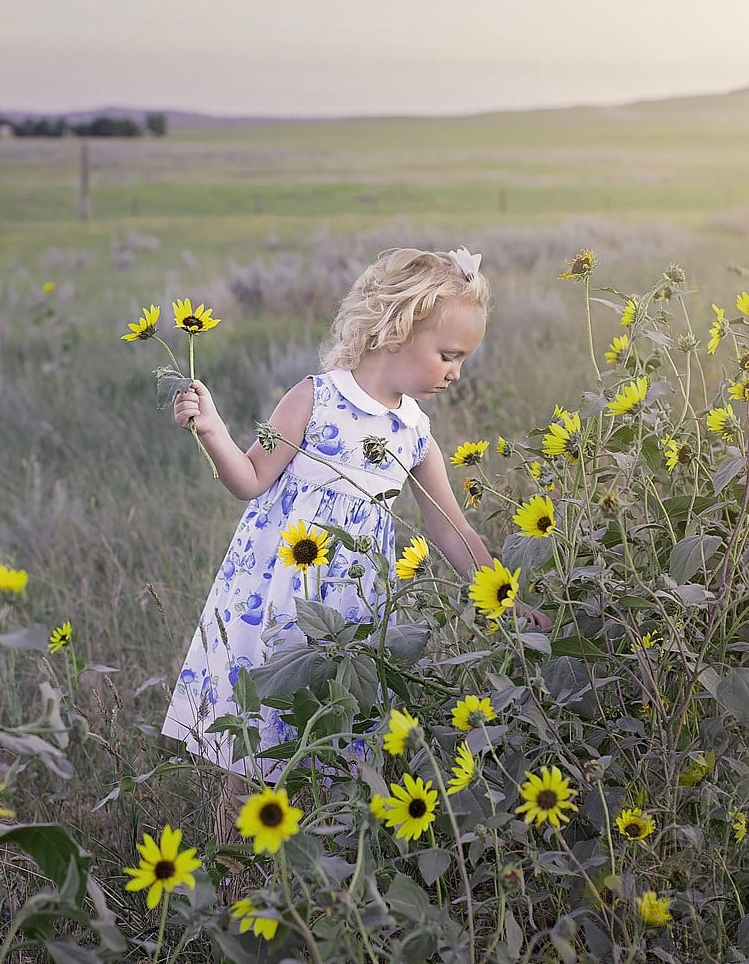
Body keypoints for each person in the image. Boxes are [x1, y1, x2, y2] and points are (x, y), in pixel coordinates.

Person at [160, 247, 545, 821]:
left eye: (462, 360)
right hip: (276, 601)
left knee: (335, 730)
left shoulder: (415, 432)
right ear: (397, 329)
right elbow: (248, 478)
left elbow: (450, 524)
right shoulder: (313, 399)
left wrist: (504, 596)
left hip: (351, 610)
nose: (455, 373)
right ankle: (233, 857)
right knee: (259, 732)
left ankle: (322, 852)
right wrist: (213, 427)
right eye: (447, 355)